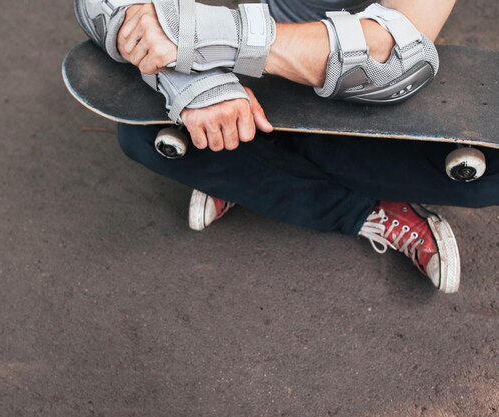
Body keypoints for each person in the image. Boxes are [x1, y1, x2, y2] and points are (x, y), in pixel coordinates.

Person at [73, 0, 499, 293]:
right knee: (144, 134)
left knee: (490, 173)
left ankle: (246, 172)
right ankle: (369, 207)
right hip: (260, 82)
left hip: (364, 96)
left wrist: (197, 39)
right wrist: (198, 85)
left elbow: (396, 57)